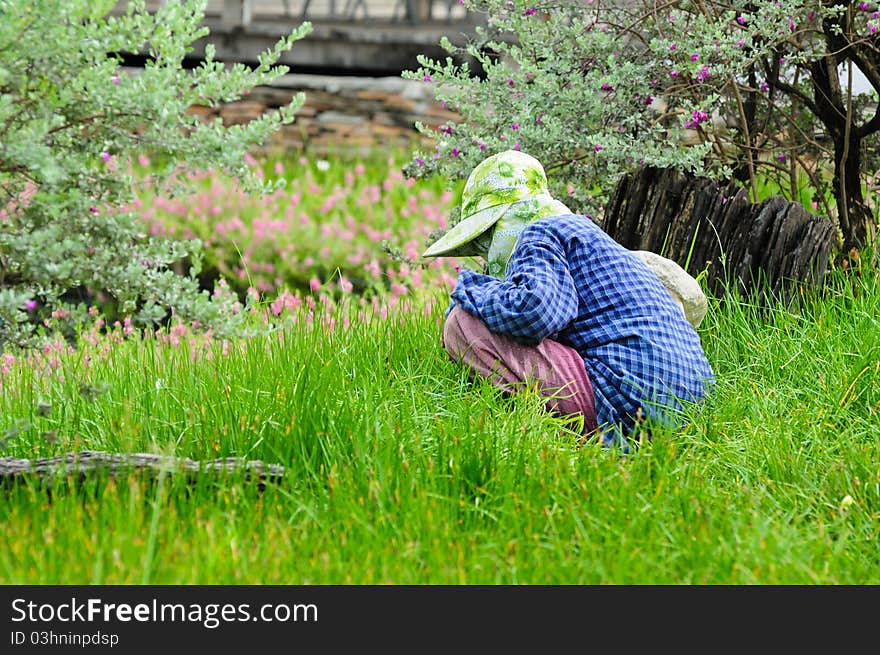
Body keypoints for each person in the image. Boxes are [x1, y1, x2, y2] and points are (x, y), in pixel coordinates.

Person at [422, 150, 715, 449]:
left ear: (505, 221)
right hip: (694, 400)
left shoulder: (538, 234)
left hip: (630, 399)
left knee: (463, 323)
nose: (485, 254)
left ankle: (557, 432)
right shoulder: (592, 239)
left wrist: (470, 290)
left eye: (485, 240)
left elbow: (536, 312)